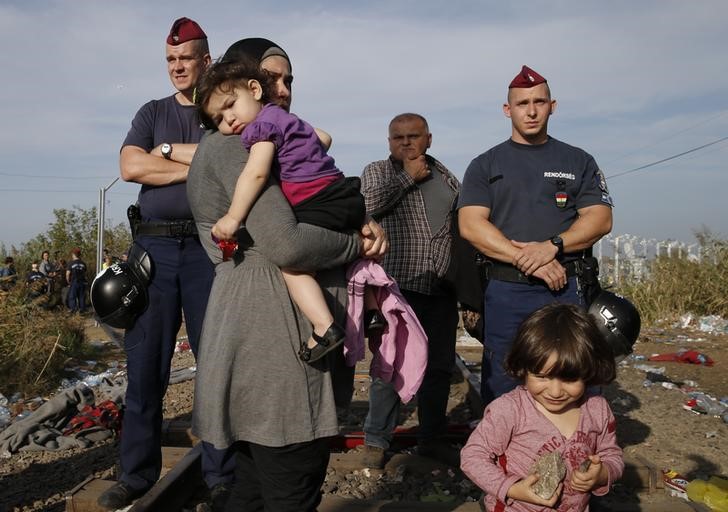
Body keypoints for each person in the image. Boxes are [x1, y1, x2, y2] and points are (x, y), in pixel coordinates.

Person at [187, 37, 387, 511]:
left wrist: (359, 218)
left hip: (255, 328)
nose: (283, 89)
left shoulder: (259, 137)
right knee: (290, 483)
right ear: (243, 80)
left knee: (256, 484)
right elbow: (286, 243)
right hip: (272, 335)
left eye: (287, 80)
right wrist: (356, 245)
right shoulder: (239, 143)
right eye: (271, 78)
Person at [97, 18, 233, 510]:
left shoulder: (222, 111)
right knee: (145, 367)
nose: (177, 67)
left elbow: (231, 159)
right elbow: (131, 166)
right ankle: (135, 474)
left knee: (214, 366)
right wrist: (201, 162)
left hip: (206, 252)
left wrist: (169, 155)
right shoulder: (151, 111)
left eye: (186, 59)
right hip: (152, 255)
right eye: (171, 60)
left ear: (206, 61)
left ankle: (221, 472)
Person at [196, 57, 376, 363]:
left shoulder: (261, 128)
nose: (228, 120)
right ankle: (372, 308)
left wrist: (233, 218)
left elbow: (256, 174)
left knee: (292, 265)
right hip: (343, 193)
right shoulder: (285, 119)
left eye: (230, 105)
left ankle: (324, 326)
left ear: (254, 89)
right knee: (347, 250)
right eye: (218, 119)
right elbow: (325, 138)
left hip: (316, 200)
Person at [458, 65, 613, 406]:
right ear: (506, 109)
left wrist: (552, 246)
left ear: (552, 106)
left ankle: (575, 455)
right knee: (504, 378)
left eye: (539, 102)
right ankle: (503, 458)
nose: (531, 111)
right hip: (507, 290)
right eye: (522, 103)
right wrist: (527, 260)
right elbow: (470, 224)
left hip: (565, 288)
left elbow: (600, 219)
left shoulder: (578, 160)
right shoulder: (485, 164)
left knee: (573, 375)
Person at [360, 113, 461, 467]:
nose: (405, 143)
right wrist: (407, 178)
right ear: (388, 142)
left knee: (439, 367)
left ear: (428, 139)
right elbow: (365, 206)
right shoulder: (379, 171)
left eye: (413, 136)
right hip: (398, 288)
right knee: (391, 365)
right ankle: (376, 441)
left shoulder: (447, 177)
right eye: (397, 137)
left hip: (441, 287)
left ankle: (431, 437)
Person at [460, 303, 624, 511]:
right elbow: (472, 456)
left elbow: (611, 453)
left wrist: (603, 473)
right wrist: (512, 488)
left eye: (570, 378)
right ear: (523, 368)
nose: (555, 392)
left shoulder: (597, 410)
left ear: (589, 371)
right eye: (541, 376)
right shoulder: (510, 410)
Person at [66, 248, 87, 313]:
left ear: (73, 255)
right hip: (82, 282)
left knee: (72, 296)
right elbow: (85, 273)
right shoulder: (83, 263)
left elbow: (67, 274)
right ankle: (82, 310)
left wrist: (68, 282)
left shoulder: (71, 263)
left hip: (74, 282)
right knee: (81, 296)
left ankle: (73, 309)